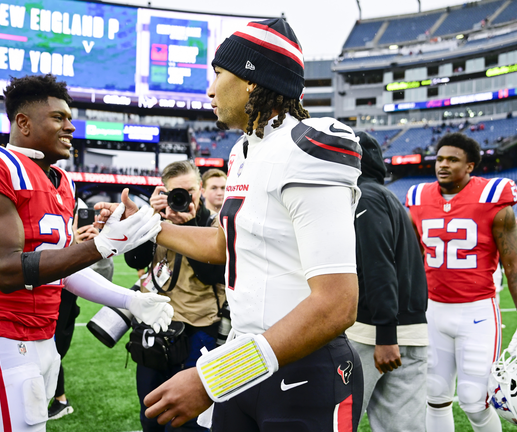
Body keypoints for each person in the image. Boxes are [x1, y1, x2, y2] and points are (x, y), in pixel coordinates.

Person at [97, 18, 364, 432]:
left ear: (252, 81)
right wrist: (149, 226)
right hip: (246, 355)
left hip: (304, 367)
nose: (209, 90)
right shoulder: (244, 151)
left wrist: (215, 376)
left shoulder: (308, 147)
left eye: (218, 74)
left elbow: (337, 304)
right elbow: (229, 244)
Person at [0, 74, 173, 432]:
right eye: (59, 118)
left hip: (42, 336)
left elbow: (61, 269)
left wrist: (129, 300)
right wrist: (100, 245)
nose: (70, 126)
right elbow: (6, 270)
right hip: (0, 332)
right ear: (24, 122)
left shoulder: (61, 182)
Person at [406, 133, 517, 432]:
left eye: (452, 160)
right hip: (433, 310)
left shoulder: (493, 197)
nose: (443, 165)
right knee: (435, 394)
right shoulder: (417, 198)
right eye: (440, 159)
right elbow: (414, 261)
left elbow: (514, 262)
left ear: (470, 166)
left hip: (477, 311)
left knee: (474, 399)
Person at [124, 160, 227, 432]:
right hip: (155, 327)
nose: (183, 198)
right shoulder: (156, 220)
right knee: (150, 408)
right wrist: (147, 222)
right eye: (175, 193)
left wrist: (190, 224)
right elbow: (134, 259)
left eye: (190, 191)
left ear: (200, 190)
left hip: (198, 329)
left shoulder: (214, 223)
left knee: (186, 421)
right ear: (164, 192)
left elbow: (213, 276)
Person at [345, 134, 428, 431]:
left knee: (335, 420)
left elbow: (379, 266)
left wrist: (385, 334)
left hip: (376, 335)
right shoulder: (387, 197)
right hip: (410, 331)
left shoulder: (365, 197)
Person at [48, 199, 102, 421]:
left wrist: (85, 247)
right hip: (46, 289)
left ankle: (60, 399)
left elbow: (103, 273)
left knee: (53, 350)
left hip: (63, 296)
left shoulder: (71, 202)